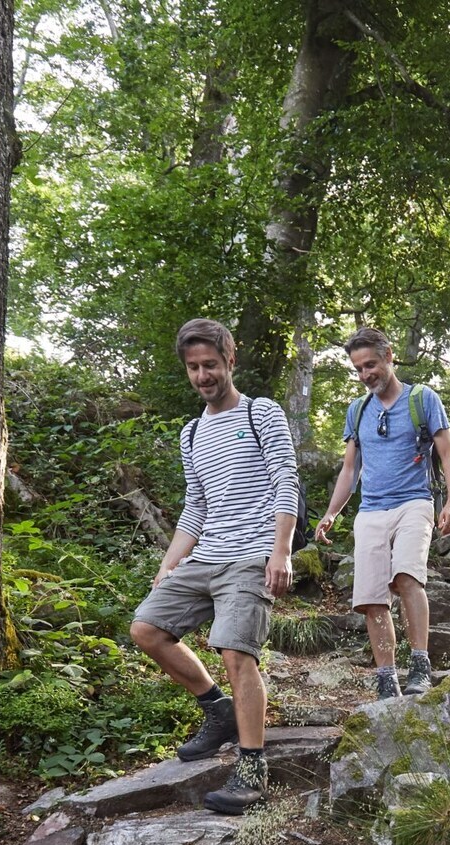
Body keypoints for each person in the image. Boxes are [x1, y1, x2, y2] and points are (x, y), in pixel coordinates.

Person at [129, 318, 299, 815]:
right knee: (146, 629)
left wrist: (281, 550)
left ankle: (252, 768)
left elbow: (285, 481)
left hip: (250, 556)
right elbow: (196, 505)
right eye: (193, 367)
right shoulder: (191, 432)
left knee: (234, 651)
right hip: (205, 556)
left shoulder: (261, 413)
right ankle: (217, 710)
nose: (203, 375)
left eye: (211, 364)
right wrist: (169, 563)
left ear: (230, 361)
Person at [313, 327, 450, 699]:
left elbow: (447, 454)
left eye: (371, 365)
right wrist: (333, 512)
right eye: (359, 369)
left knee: (407, 577)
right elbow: (351, 469)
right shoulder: (358, 409)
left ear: (389, 356)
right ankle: (386, 677)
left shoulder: (422, 399)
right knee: (371, 597)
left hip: (414, 502)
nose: (366, 375)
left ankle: (419, 664)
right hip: (370, 510)